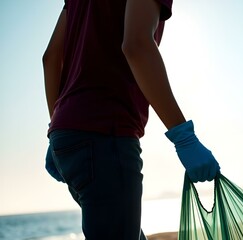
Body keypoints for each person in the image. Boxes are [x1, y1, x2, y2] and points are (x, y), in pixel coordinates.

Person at [42, 0, 220, 239]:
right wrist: (183, 136)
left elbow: (51, 57)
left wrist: (57, 127)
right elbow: (136, 45)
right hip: (104, 135)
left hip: (68, 139)